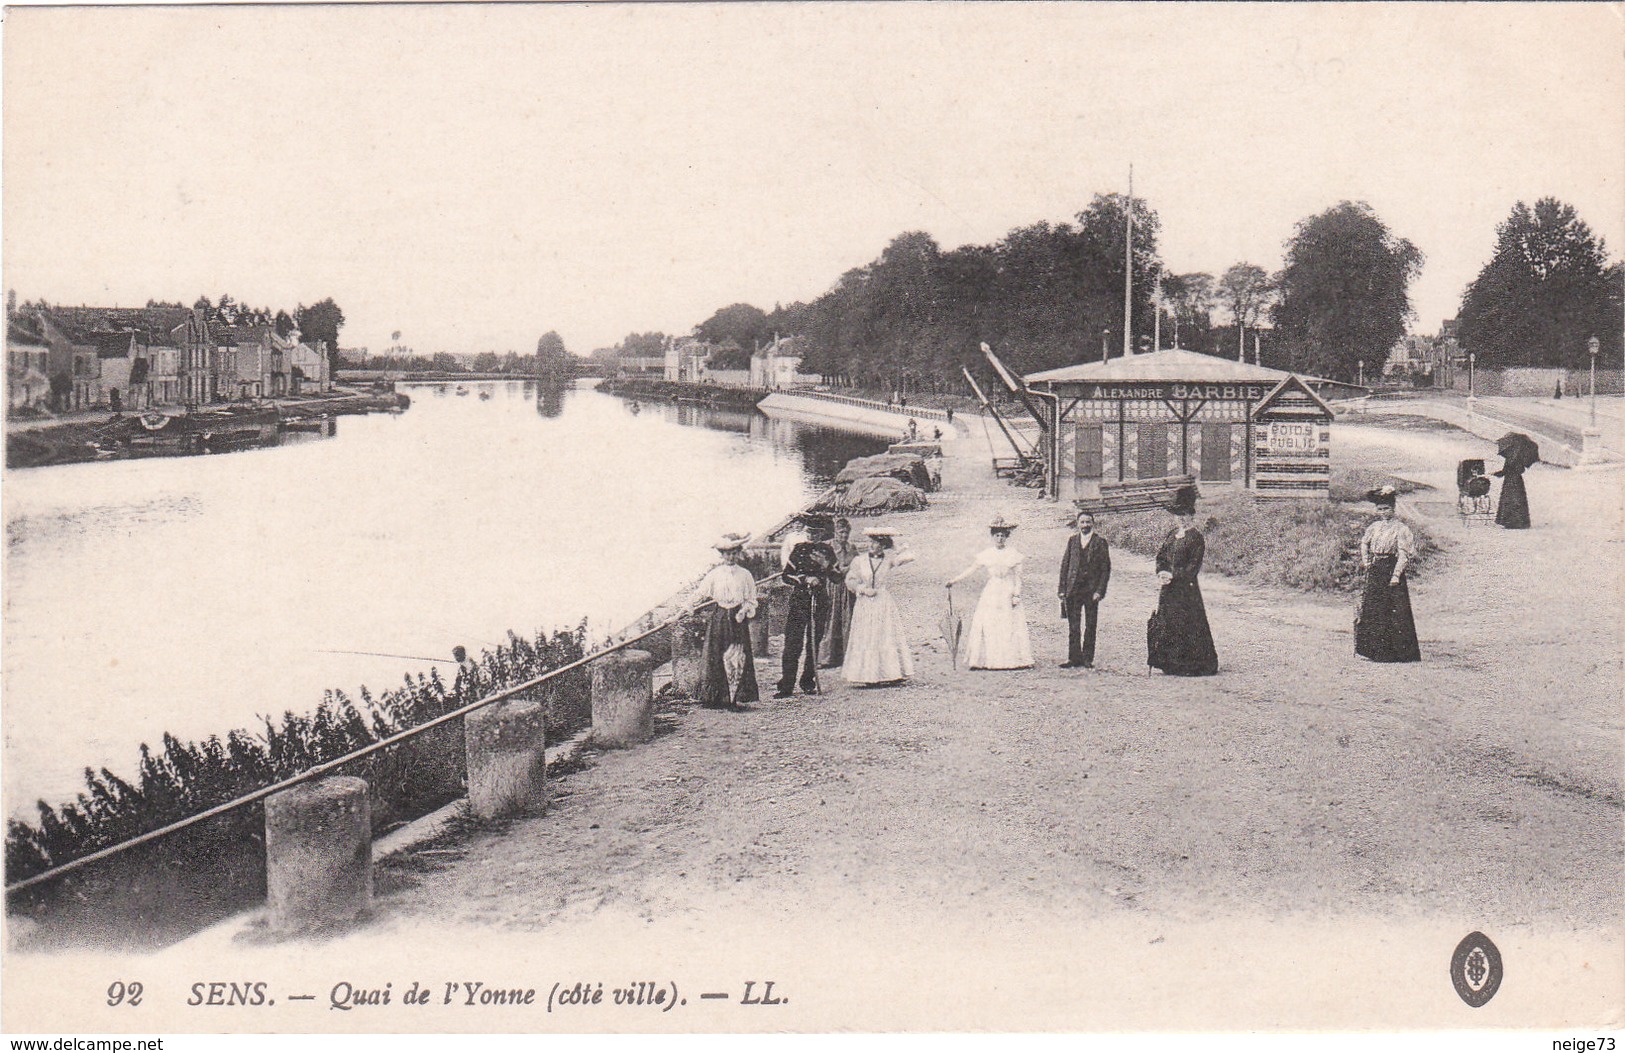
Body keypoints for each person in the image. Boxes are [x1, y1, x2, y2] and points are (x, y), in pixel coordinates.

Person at [1147, 486, 1219, 676]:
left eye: (1185, 514)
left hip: (1186, 590)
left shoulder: (1196, 538)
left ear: (1191, 516)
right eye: (1178, 515)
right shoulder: (1171, 535)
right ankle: (1170, 663)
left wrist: (1174, 576)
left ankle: (1190, 664)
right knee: (1168, 622)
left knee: (1187, 623)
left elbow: (1193, 567)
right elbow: (1161, 557)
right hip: (1168, 589)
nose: (1181, 518)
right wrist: (1161, 572)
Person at [946, 514, 1033, 670]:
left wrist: (1016, 595)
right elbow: (971, 569)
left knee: (1008, 622)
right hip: (992, 591)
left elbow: (1018, 578)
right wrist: (954, 580)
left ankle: (1012, 659)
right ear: (993, 536)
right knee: (988, 622)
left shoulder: (1013, 554)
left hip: (1007, 589)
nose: (1000, 538)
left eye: (1003, 536)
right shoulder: (987, 554)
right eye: (997, 535)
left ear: (1007, 537)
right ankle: (984, 659)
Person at [1355, 487, 1422, 663]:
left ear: (1393, 509)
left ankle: (1394, 653)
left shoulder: (1401, 529)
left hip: (1391, 569)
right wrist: (1366, 561)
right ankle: (1372, 650)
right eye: (1380, 509)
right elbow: (1364, 543)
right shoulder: (1374, 527)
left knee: (1392, 609)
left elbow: (1404, 554)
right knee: (1373, 608)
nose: (1383, 512)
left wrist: (1396, 575)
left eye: (1386, 509)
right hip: (1376, 568)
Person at [842, 527, 915, 686]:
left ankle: (890, 674)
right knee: (867, 635)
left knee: (885, 634)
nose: (872, 545)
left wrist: (895, 547)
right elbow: (850, 580)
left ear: (883, 546)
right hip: (865, 602)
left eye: (877, 543)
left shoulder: (888, 560)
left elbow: (910, 557)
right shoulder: (859, 561)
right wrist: (862, 589)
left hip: (882, 601)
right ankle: (867, 675)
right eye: (871, 542)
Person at [695, 534, 761, 709]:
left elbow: (751, 599)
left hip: (737, 618)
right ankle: (717, 697)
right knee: (716, 654)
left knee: (737, 654)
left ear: (738, 553)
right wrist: (681, 611)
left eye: (733, 553)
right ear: (721, 555)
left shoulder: (745, 575)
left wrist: (743, 611)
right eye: (727, 554)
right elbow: (699, 594)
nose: (730, 557)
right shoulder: (714, 574)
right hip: (719, 617)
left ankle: (735, 697)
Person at [776, 517, 836, 698]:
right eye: (809, 532)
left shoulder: (827, 551)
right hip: (799, 601)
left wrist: (826, 567)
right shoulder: (798, 549)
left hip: (819, 601)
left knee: (813, 642)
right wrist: (803, 579)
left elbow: (837, 577)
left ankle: (808, 681)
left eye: (815, 532)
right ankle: (786, 685)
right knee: (792, 643)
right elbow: (786, 576)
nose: (811, 536)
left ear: (821, 534)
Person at [1058, 510, 1112, 668]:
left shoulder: (1100, 542)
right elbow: (1065, 565)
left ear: (1093, 524)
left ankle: (1088, 658)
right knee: (1073, 625)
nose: (1085, 525)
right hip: (1073, 589)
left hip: (1091, 590)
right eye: (1082, 522)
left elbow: (1105, 569)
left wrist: (1099, 591)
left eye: (1088, 522)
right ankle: (1074, 658)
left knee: (1090, 624)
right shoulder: (1072, 541)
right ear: (1077, 524)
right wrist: (1062, 589)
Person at [818, 517, 858, 669]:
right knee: (831, 620)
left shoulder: (851, 547)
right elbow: (824, 566)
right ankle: (826, 657)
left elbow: (858, 564)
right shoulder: (827, 546)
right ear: (835, 532)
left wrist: (850, 570)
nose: (844, 536)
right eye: (841, 532)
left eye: (846, 533)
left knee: (847, 619)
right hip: (832, 586)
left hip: (847, 588)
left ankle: (846, 656)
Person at [1494, 446, 1533, 530]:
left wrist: (1496, 474)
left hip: (1509, 480)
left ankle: (1510, 522)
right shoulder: (1521, 457)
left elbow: (1505, 471)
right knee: (1518, 499)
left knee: (1509, 499)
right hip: (1518, 481)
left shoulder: (1510, 457)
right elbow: (1522, 470)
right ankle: (1521, 522)